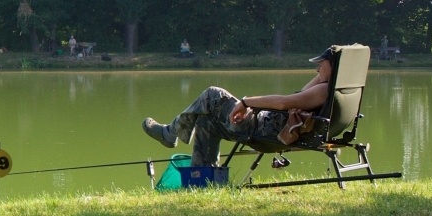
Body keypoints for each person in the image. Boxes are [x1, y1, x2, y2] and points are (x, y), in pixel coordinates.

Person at [141, 48, 337, 165]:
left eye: (321, 64)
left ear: (332, 64)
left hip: (264, 129)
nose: (317, 68)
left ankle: (171, 132)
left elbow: (283, 103)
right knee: (206, 120)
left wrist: (245, 102)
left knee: (213, 94)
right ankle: (202, 177)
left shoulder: (324, 91)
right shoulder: (332, 89)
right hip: (268, 125)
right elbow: (300, 94)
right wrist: (327, 71)